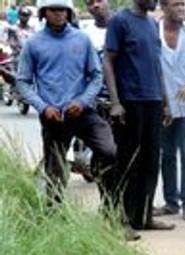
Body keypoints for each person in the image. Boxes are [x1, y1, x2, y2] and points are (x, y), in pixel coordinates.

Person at [16, 0, 116, 201]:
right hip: (53, 116)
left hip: (83, 112)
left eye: (62, 10)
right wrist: (43, 107)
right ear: (44, 13)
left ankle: (111, 211)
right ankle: (53, 216)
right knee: (55, 173)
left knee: (109, 150)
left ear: (69, 13)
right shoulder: (33, 44)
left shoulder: (82, 40)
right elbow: (23, 82)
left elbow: (96, 76)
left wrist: (83, 101)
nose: (58, 14)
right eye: (53, 10)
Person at [104, 0, 175, 235]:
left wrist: (166, 102)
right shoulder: (119, 21)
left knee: (150, 162)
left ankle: (143, 217)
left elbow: (156, 66)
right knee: (128, 163)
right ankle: (121, 220)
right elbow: (108, 61)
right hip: (130, 102)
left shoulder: (153, 24)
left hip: (153, 101)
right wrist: (115, 102)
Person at [153, 0, 185, 222]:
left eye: (183, 4)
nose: (181, 8)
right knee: (167, 154)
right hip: (163, 102)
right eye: (175, 4)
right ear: (164, 7)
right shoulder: (154, 32)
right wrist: (163, 102)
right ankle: (171, 201)